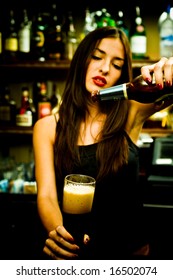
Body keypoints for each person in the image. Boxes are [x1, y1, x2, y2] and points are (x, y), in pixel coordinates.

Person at [33, 26, 173, 260]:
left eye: (117, 65)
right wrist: (61, 237)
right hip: (78, 254)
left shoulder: (131, 112)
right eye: (97, 57)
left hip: (132, 259)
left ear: (122, 76)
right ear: (81, 59)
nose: (105, 68)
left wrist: (167, 70)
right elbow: (46, 196)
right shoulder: (48, 127)